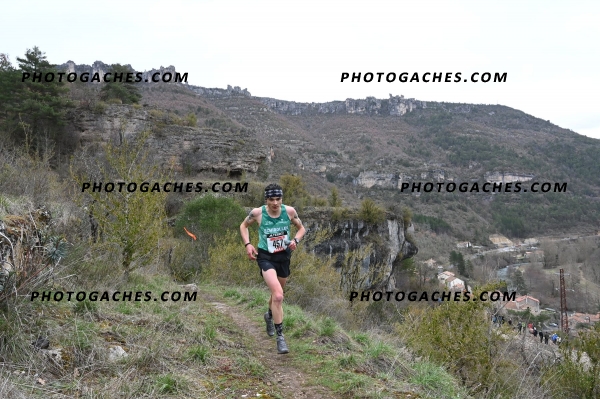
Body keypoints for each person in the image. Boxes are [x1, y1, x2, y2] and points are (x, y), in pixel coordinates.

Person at [239, 183, 306, 354]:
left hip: (283, 257)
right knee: (278, 296)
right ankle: (280, 337)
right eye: (271, 199)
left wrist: (295, 241)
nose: (275, 203)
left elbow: (301, 229)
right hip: (265, 257)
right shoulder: (257, 213)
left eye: (278, 199)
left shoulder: (289, 212)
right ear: (266, 200)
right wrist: (248, 244)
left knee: (278, 295)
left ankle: (269, 315)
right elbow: (243, 226)